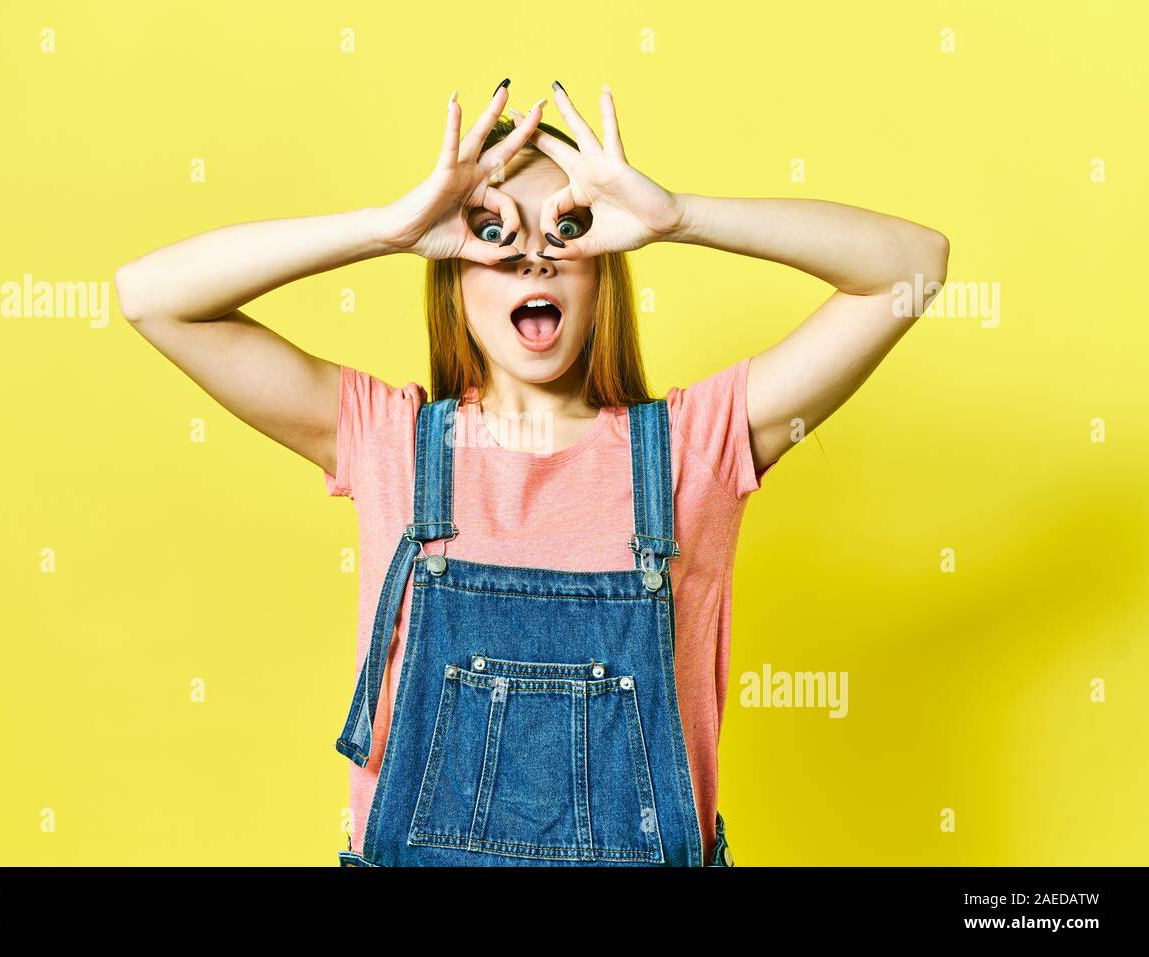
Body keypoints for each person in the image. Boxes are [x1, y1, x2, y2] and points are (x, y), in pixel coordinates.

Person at [114, 79, 949, 867]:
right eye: (491, 230)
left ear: (603, 265)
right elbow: (154, 295)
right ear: (453, 272)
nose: (531, 255)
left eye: (568, 228)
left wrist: (677, 216)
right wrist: (389, 227)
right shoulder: (389, 443)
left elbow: (912, 265)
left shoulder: (698, 449)